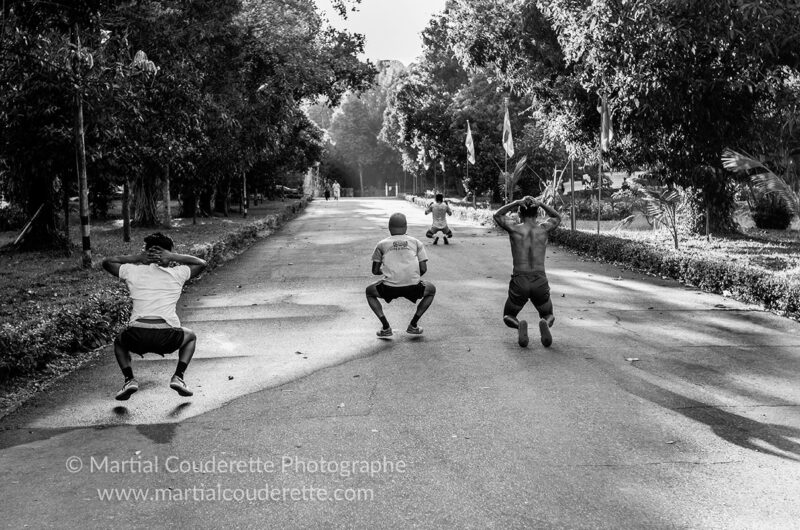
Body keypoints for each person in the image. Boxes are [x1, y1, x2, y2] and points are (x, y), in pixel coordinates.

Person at [102, 233, 207, 400]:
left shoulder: (132, 271)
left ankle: (129, 380)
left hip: (137, 335)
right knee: (191, 337)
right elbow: (202, 263)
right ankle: (178, 377)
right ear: (169, 252)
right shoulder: (178, 273)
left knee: (119, 341)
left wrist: (138, 258)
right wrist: (173, 256)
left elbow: (107, 262)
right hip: (168, 336)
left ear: (146, 252)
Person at [493, 196, 561, 348]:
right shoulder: (543, 229)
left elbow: (497, 215)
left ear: (519, 214)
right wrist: (541, 203)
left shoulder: (514, 229)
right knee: (548, 314)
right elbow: (557, 217)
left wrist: (516, 202)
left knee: (508, 315)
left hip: (520, 280)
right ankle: (545, 323)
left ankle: (519, 326)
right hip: (539, 279)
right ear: (537, 214)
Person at [366, 213, 436, 337]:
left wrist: (389, 271)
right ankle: (413, 325)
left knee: (369, 292)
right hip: (413, 286)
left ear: (389, 227)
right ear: (406, 227)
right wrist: (410, 275)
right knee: (431, 290)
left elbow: (375, 271)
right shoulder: (416, 243)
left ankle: (386, 327)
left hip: (389, 288)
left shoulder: (381, 244)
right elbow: (423, 269)